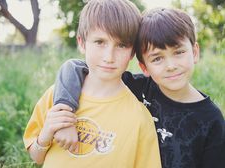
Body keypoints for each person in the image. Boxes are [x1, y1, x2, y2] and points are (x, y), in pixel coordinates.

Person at [53, 8, 225, 168]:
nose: (171, 66)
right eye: (157, 58)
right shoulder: (137, 87)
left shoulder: (211, 120)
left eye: (179, 52)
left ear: (195, 52)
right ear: (144, 67)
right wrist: (65, 112)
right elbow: (75, 67)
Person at [23, 0, 162, 167]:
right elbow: (36, 157)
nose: (109, 57)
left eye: (121, 45)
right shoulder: (55, 96)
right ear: (82, 43)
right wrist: (46, 134)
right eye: (100, 42)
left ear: (132, 52)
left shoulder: (140, 118)